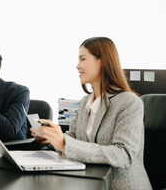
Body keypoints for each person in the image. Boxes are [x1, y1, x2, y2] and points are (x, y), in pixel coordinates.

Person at [31, 37, 151, 190]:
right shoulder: (85, 102)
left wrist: (65, 143)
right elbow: (73, 137)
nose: (77, 66)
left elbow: (123, 154)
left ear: (103, 61)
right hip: (90, 182)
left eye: (82, 59)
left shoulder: (130, 102)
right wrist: (52, 139)